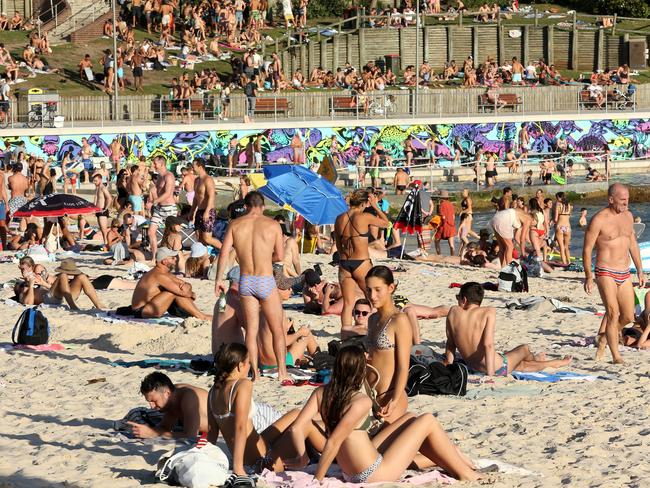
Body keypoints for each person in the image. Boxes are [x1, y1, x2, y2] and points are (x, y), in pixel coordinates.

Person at [287, 345, 481, 483]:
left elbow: (297, 427)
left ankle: (457, 458)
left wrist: (300, 458)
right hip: (372, 472)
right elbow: (333, 442)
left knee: (411, 418)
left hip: (351, 469)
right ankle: (466, 473)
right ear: (361, 370)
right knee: (428, 420)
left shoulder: (321, 393)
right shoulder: (359, 401)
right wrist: (317, 480)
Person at [207, 343, 325, 481]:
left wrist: (209, 459)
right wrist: (238, 467)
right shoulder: (242, 385)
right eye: (249, 362)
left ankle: (314, 448)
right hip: (263, 461)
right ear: (240, 365)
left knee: (297, 413)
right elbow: (240, 428)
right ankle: (325, 453)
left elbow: (211, 433)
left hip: (256, 447)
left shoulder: (213, 392)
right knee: (305, 426)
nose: (250, 366)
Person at [215, 191, 289, 383]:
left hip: (246, 281)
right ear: (262, 206)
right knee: (277, 330)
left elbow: (224, 254)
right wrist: (266, 258)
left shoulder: (235, 224)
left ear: (246, 206)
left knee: (252, 331)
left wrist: (218, 279)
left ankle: (255, 373)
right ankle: (282, 371)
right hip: (265, 279)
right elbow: (280, 257)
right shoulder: (273, 225)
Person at [445, 282, 572, 376]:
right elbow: (488, 345)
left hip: (473, 366)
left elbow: (450, 344)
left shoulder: (453, 312)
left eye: (458, 298)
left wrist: (449, 367)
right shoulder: (488, 311)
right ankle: (540, 360)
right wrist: (490, 375)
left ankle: (549, 363)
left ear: (464, 299)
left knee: (520, 365)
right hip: (495, 367)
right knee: (524, 348)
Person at [583, 183, 644, 364]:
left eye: (628, 199)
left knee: (628, 316)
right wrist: (588, 276)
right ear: (611, 199)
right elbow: (587, 250)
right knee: (612, 313)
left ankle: (604, 337)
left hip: (624, 272)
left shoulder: (628, 216)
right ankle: (616, 357)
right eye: (622, 199)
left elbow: (632, 244)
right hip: (605, 271)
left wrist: (640, 271)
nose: (626, 203)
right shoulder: (599, 219)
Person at [334, 189, 390, 332]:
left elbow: (339, 246)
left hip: (344, 263)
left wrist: (344, 258)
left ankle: (345, 335)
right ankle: (373, 331)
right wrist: (376, 207)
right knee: (372, 300)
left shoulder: (339, 218)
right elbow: (386, 223)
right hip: (361, 262)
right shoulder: (364, 217)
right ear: (365, 203)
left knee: (348, 303)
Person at [364, 266, 411, 425]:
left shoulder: (400, 320)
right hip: (368, 396)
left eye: (378, 290)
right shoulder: (372, 319)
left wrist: (395, 400)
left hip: (390, 396)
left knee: (380, 447)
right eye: (368, 290)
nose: (372, 296)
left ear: (391, 288)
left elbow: (403, 366)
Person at [131, 247, 212, 320]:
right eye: (173, 258)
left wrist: (188, 288)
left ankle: (199, 315)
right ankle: (201, 316)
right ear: (165, 261)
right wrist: (191, 294)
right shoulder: (159, 275)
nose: (176, 259)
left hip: (149, 306)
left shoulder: (164, 273)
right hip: (142, 310)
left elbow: (186, 284)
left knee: (176, 290)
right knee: (174, 292)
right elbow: (182, 292)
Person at [128, 372, 209, 439]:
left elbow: (190, 436)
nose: (152, 407)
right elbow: (165, 428)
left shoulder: (189, 398)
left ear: (167, 393)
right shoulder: (172, 396)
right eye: (149, 402)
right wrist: (146, 430)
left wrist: (152, 433)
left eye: (154, 401)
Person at [16, 258, 105, 310]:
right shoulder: (22, 285)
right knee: (62, 275)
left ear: (32, 267)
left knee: (81, 276)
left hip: (64, 296)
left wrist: (43, 283)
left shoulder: (38, 276)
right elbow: (28, 303)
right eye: (22, 269)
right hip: (49, 299)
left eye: (26, 269)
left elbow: (53, 288)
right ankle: (73, 306)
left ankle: (98, 304)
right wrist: (30, 285)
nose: (24, 272)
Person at [147, 156, 177, 261]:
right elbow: (158, 192)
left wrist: (153, 202)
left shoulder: (169, 176)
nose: (153, 165)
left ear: (162, 164)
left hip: (169, 207)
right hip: (159, 208)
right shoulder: (159, 177)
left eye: (155, 163)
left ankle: (173, 255)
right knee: (151, 232)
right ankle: (154, 256)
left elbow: (168, 193)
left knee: (171, 234)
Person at [490, 197, 531, 266]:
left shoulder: (521, 214)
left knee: (502, 247)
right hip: (503, 219)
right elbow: (522, 238)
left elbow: (517, 236)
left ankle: (503, 267)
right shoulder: (528, 220)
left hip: (495, 218)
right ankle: (509, 267)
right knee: (509, 246)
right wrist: (523, 253)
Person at [190, 158, 221, 249]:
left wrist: (207, 211)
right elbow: (196, 198)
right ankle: (204, 258)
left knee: (207, 238)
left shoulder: (208, 179)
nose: (192, 168)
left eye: (193, 166)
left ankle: (227, 251)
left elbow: (212, 196)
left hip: (208, 210)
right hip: (199, 211)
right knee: (199, 237)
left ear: (200, 166)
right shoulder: (196, 180)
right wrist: (192, 211)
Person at [92, 173, 112, 247]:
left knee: (104, 229)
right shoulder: (97, 188)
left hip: (102, 210)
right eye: (94, 181)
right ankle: (105, 242)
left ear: (100, 180)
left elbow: (109, 198)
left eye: (96, 181)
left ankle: (107, 243)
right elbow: (96, 199)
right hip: (98, 210)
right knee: (101, 228)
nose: (94, 182)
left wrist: (105, 208)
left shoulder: (103, 188)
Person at [434, 190, 456, 256]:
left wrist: (437, 225)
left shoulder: (442, 205)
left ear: (441, 197)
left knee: (437, 240)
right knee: (451, 244)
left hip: (444, 225)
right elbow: (453, 216)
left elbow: (442, 217)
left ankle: (439, 255)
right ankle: (452, 256)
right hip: (451, 225)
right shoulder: (451, 204)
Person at [553, 192, 573, 265]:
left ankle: (564, 263)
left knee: (561, 247)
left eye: (557, 198)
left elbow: (555, 219)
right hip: (567, 227)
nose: (557, 199)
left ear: (559, 197)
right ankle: (569, 262)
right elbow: (569, 216)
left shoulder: (558, 205)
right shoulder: (570, 205)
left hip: (560, 226)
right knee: (566, 247)